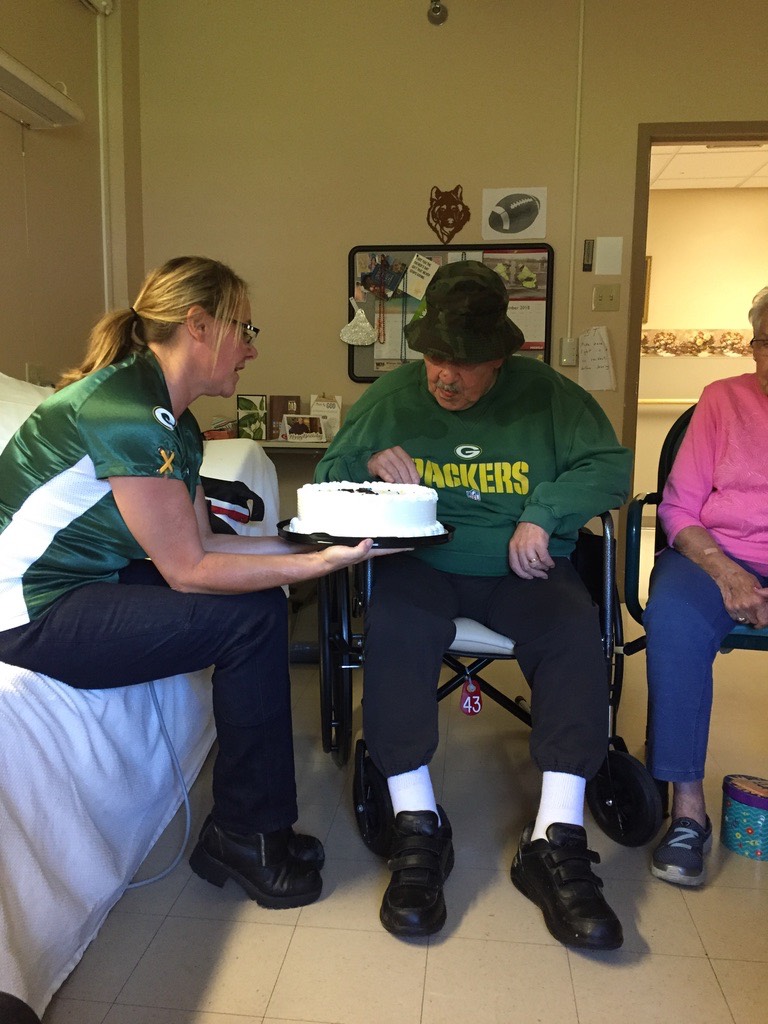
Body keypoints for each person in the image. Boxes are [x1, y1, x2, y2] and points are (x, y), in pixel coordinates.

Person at [0, 255, 392, 911]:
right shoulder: (123, 409)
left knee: (259, 602)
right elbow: (190, 572)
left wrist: (317, 541)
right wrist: (318, 568)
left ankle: (246, 828)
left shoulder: (171, 420)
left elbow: (207, 541)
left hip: (75, 582)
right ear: (199, 325)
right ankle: (245, 834)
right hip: (26, 607)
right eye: (246, 330)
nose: (252, 349)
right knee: (252, 616)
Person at [315, 261, 633, 948]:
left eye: (464, 363)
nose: (444, 377)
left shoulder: (549, 395)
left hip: (521, 568)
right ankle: (416, 820)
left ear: (501, 357)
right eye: (434, 358)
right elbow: (328, 473)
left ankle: (555, 834)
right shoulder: (394, 395)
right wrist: (366, 467)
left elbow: (608, 467)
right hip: (421, 563)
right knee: (394, 629)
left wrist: (543, 515)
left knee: (575, 631)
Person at [643, 285, 768, 887]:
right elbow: (678, 508)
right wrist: (727, 570)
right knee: (673, 620)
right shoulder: (723, 399)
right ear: (753, 346)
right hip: (713, 554)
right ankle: (687, 811)